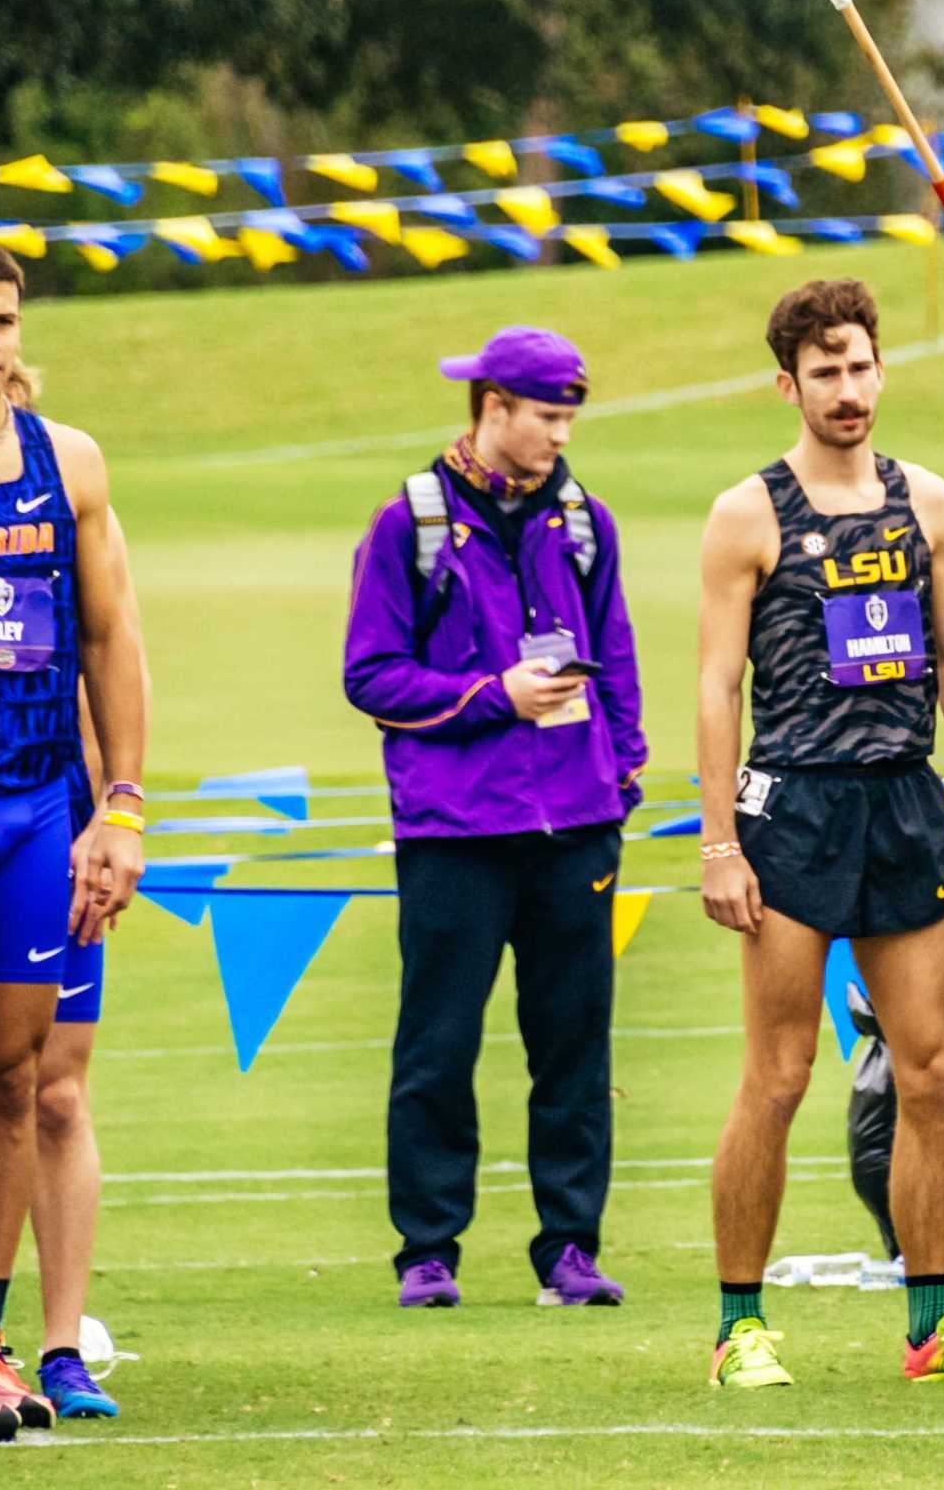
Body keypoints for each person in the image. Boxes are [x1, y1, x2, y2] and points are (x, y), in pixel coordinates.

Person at [696, 279, 944, 1392]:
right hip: (792, 808)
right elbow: (715, 685)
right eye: (823, 371)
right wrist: (716, 842)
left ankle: (934, 1329)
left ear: (883, 370)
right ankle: (739, 1327)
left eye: (860, 365)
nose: (847, 389)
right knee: (780, 1074)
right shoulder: (748, 512)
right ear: (788, 385)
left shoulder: (923, 499)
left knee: (933, 1070)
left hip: (903, 803)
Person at [343, 327, 643, 1312]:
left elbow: (617, 658)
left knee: (574, 1041)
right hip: (453, 833)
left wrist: (621, 775)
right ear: (494, 408)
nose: (561, 435)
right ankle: (427, 1250)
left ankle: (571, 1248)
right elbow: (371, 675)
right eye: (547, 418)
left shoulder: (585, 520)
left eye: (568, 418)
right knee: (436, 1041)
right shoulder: (408, 524)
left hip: (577, 827)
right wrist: (492, 696)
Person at [0, 249, 146, 1432]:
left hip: (43, 809)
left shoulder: (68, 464)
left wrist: (120, 807)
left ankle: (38, 1347)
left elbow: (110, 642)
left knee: (36, 1083)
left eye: (3, 321)